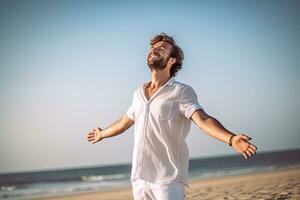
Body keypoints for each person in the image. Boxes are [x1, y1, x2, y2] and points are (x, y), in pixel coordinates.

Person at [87, 33, 258, 200]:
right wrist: (102, 134)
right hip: (139, 179)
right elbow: (125, 121)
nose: (154, 50)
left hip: (167, 180)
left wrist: (231, 138)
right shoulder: (138, 93)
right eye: (153, 48)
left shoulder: (181, 92)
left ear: (172, 60)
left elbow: (203, 119)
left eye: (161, 48)